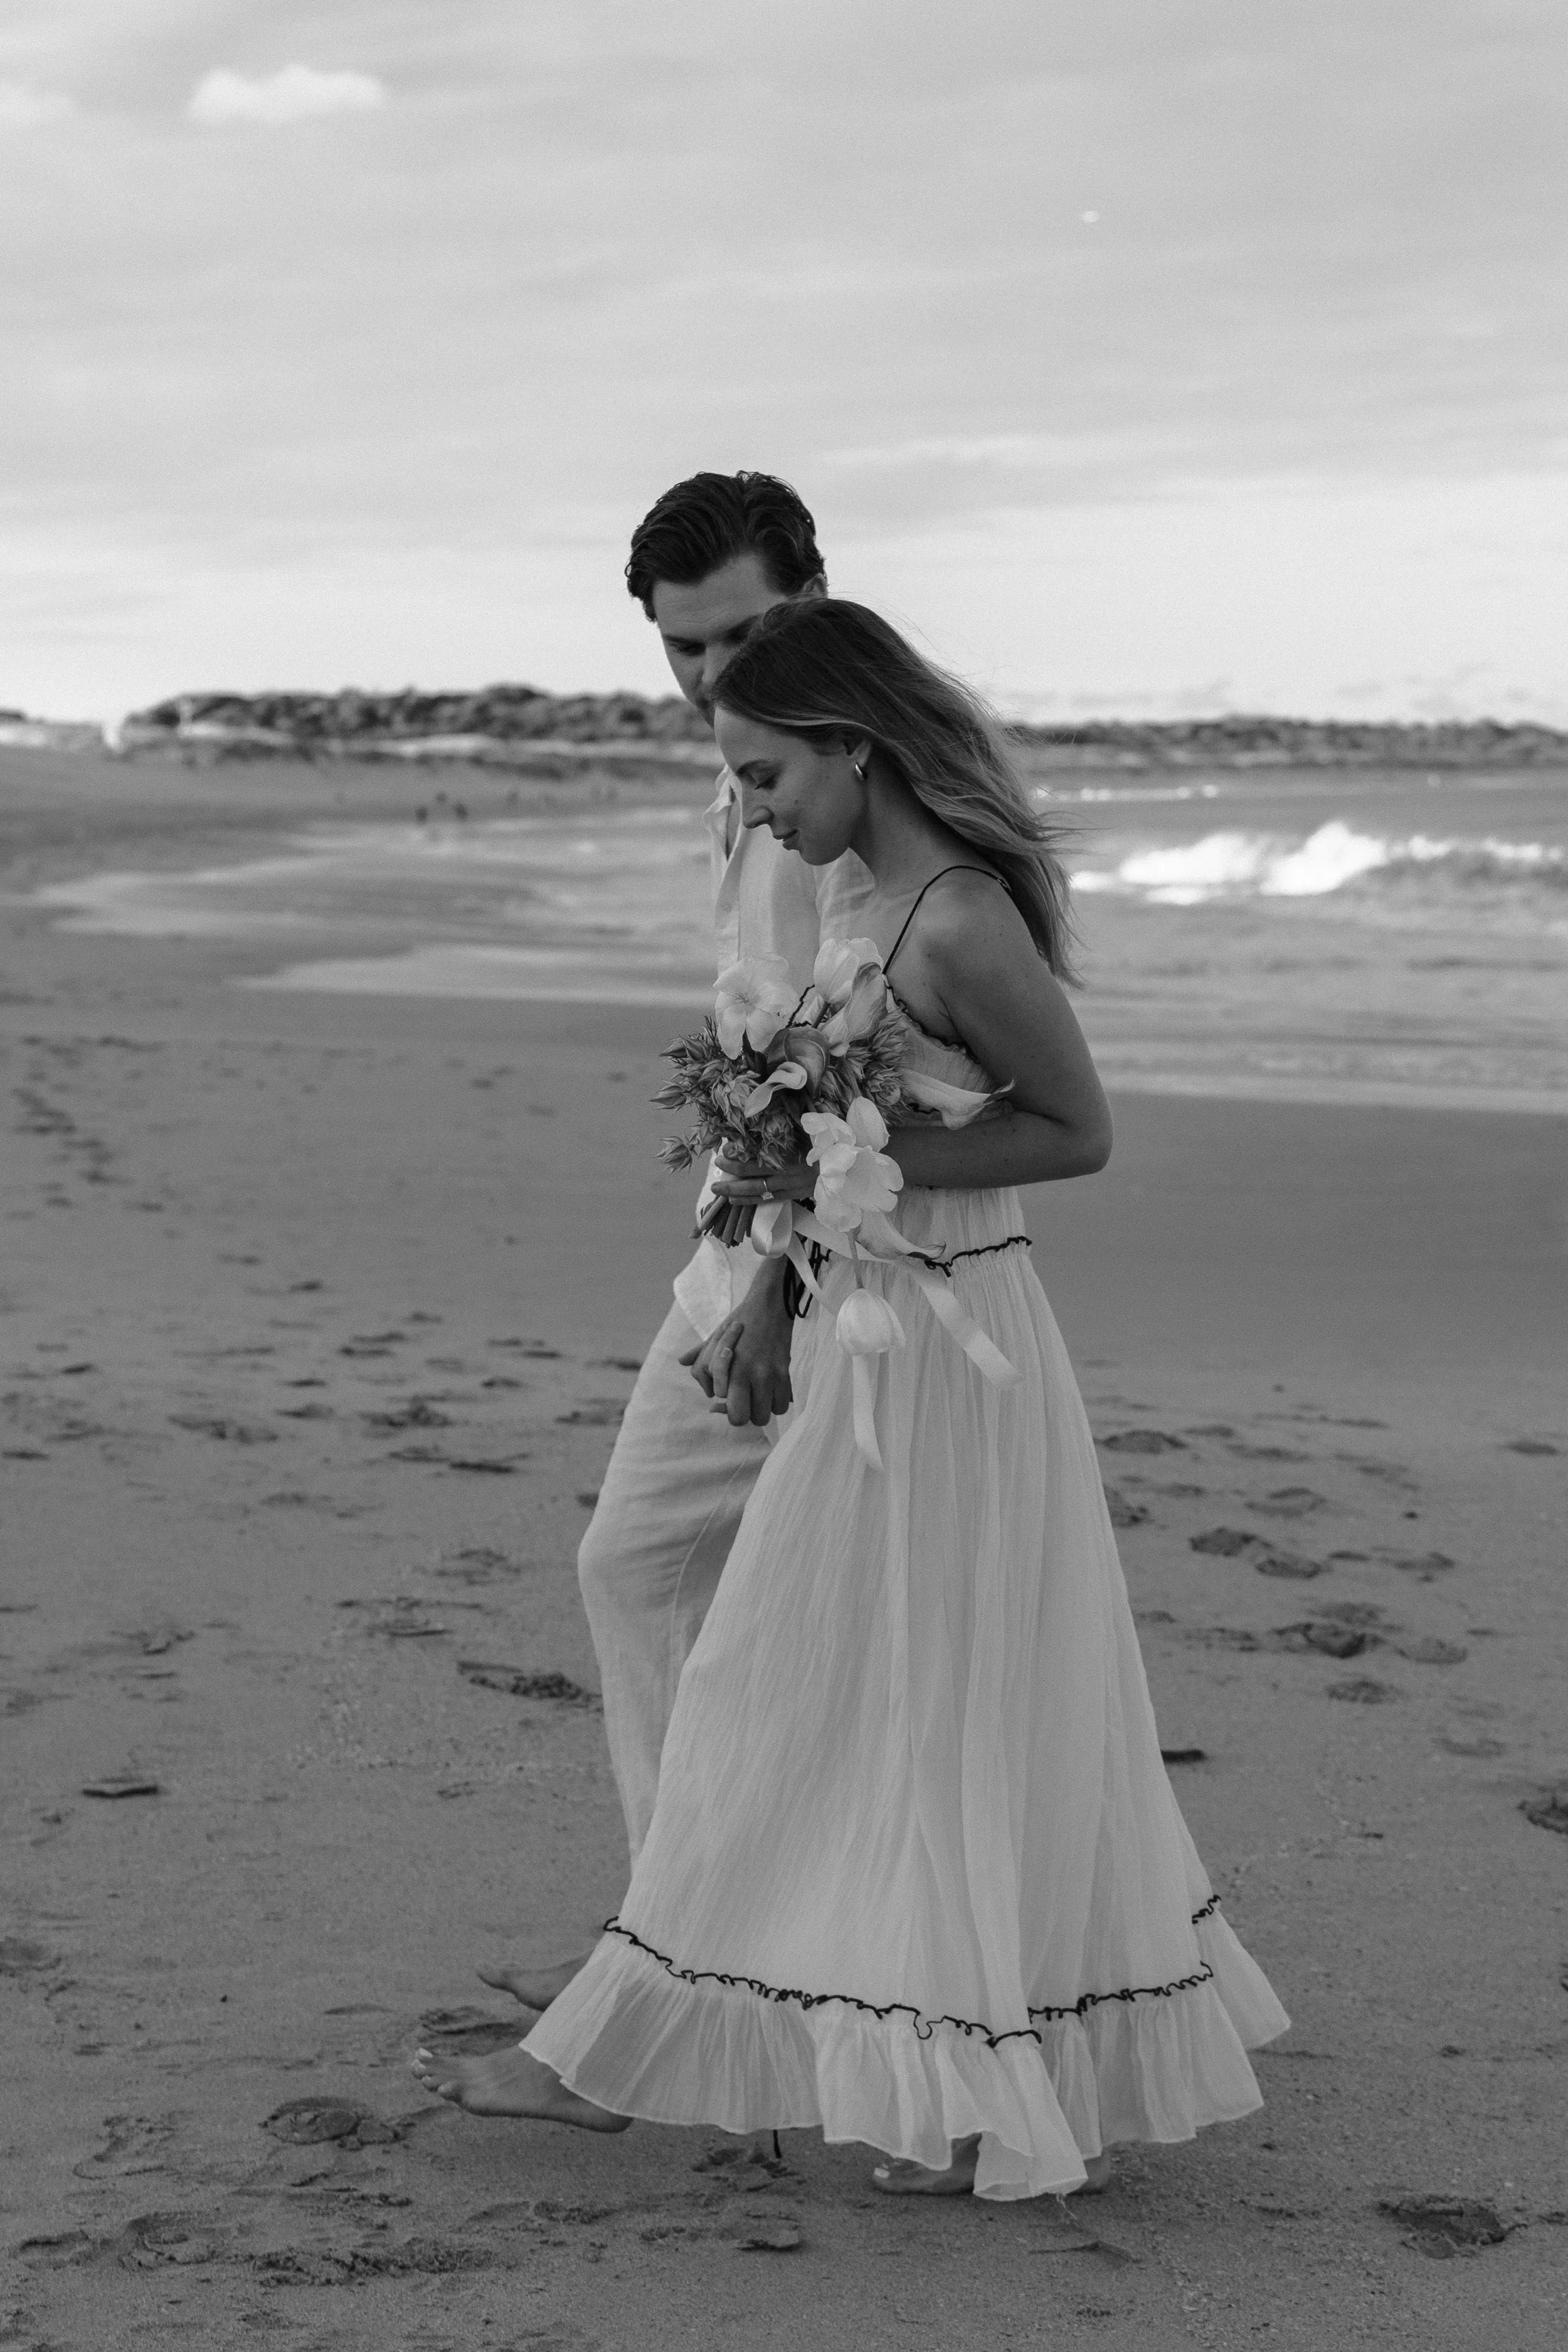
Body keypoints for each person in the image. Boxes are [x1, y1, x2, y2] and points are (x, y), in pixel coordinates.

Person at [418, 599, 1288, 2198]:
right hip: (861, 1326)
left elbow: (1076, 1132)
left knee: (934, 1695)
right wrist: (781, 1259)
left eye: (764, 773)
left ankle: (966, 2077)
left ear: (850, 746)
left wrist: (852, 1157)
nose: (750, 810)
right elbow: (836, 1149)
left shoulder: (956, 917)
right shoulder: (845, 888)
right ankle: (836, 2032)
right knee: (829, 1689)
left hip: (960, 1353)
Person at [480, 473, 872, 2014]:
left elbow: (885, 1066)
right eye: (684, 651)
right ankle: (698, 1966)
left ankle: (704, 1984)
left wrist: (778, 1282)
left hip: (838, 1265)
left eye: (746, 634)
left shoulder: (854, 786)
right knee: (647, 1571)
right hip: (741, 1232)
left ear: (814, 597)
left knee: (786, 1616)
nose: (715, 678)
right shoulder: (748, 769)